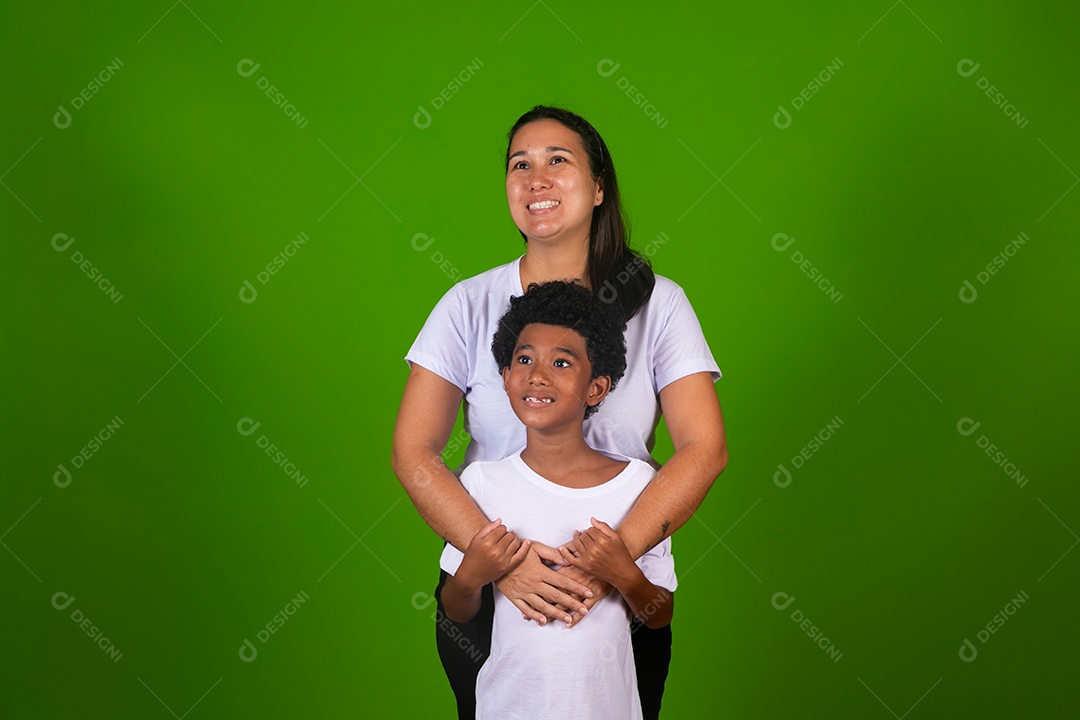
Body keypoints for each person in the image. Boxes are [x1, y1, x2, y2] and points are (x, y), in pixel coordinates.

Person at [393, 105, 727, 719]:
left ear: (599, 187)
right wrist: (504, 567)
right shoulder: (467, 304)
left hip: (619, 591)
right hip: (493, 587)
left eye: (558, 161)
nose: (535, 178)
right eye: (520, 165)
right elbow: (414, 453)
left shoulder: (662, 306)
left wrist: (608, 566)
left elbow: (704, 449)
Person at [440, 280, 676, 720]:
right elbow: (457, 608)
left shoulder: (638, 487)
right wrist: (473, 574)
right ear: (506, 377)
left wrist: (623, 572)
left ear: (596, 389)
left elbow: (659, 614)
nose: (537, 374)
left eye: (562, 362)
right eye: (524, 358)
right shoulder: (481, 484)